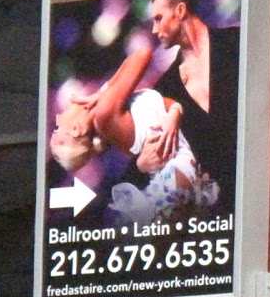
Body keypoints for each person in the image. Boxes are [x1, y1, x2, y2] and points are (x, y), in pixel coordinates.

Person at [48, 46, 219, 223]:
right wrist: (102, 93)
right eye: (57, 128)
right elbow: (142, 54)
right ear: (77, 130)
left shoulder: (112, 115)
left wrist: (175, 112)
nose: (59, 116)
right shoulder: (104, 114)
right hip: (178, 174)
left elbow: (167, 105)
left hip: (183, 170)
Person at [148, 0, 241, 200]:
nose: (154, 30)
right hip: (225, 206)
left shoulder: (237, 43)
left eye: (158, 18)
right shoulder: (167, 86)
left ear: (180, 11)